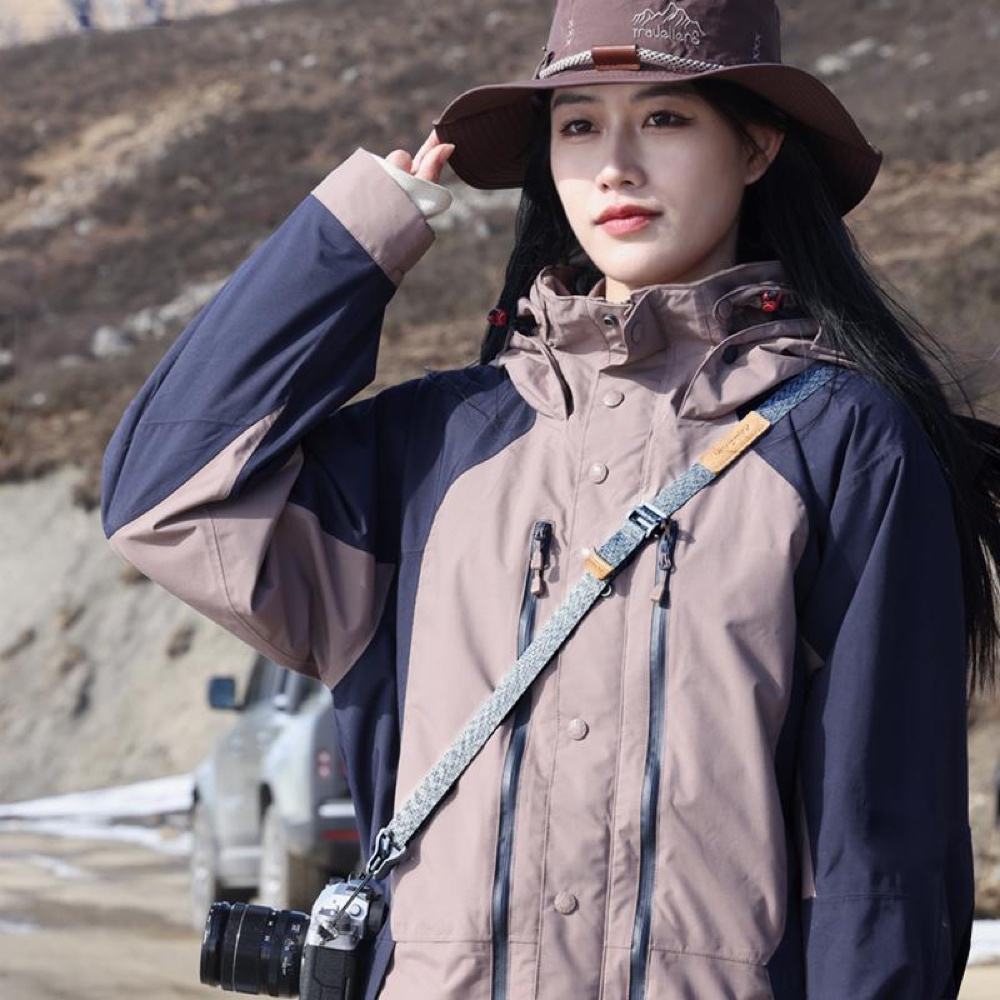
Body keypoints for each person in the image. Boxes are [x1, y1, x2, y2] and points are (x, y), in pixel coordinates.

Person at [101, 1, 1000, 996]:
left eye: (664, 118)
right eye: (578, 125)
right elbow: (165, 496)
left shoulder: (839, 442)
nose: (614, 165)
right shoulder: (437, 447)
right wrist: (355, 239)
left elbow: (879, 853)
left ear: (756, 146)